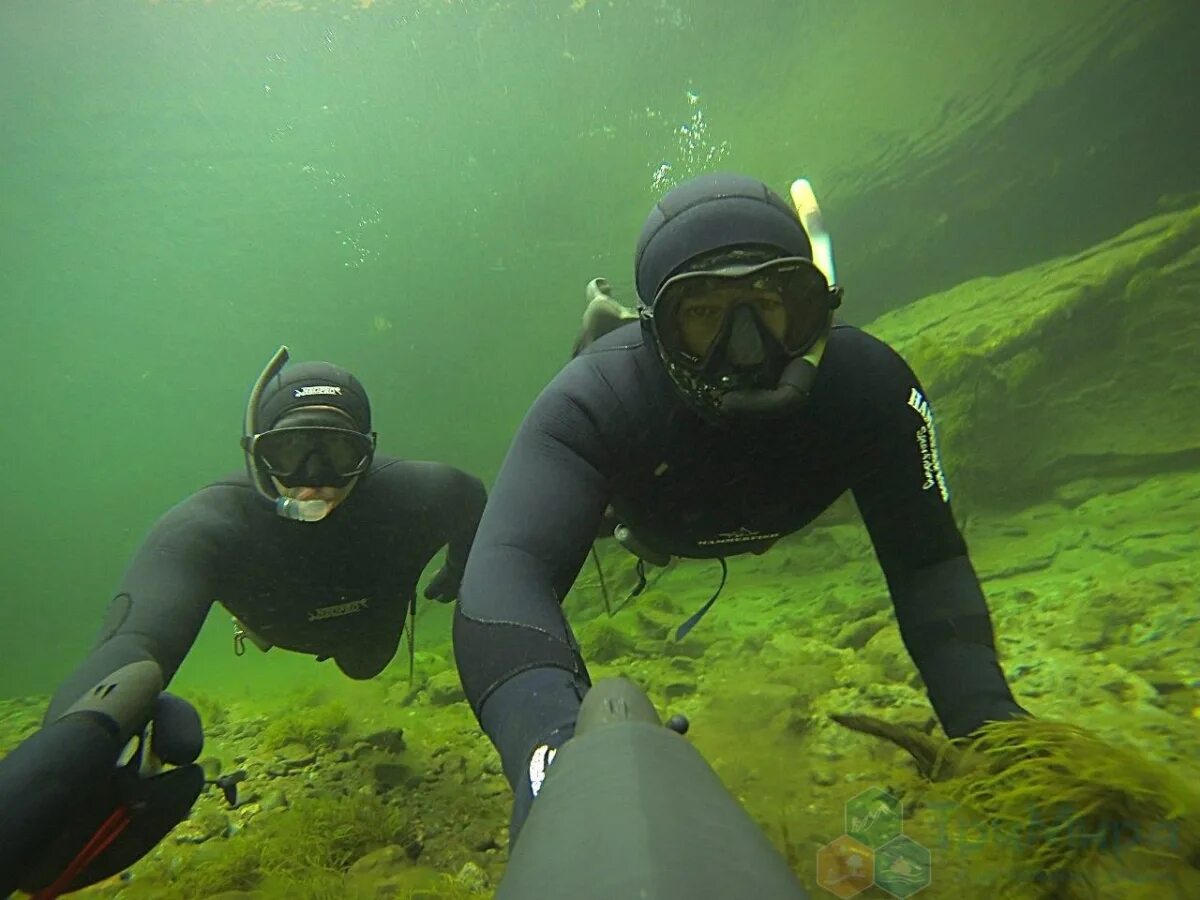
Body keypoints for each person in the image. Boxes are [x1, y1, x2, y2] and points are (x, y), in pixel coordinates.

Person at [452, 171, 1030, 841]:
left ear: (810, 304)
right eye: (704, 315)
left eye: (769, 302)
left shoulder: (871, 388)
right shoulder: (594, 400)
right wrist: (555, 754)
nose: (749, 350)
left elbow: (929, 563)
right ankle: (598, 320)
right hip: (641, 515)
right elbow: (505, 574)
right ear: (659, 331)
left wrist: (993, 734)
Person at [0, 348, 487, 896]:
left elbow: (472, 503)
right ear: (257, 454)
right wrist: (69, 746)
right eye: (290, 453)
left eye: (337, 452)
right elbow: (136, 640)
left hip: (370, 630)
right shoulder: (209, 525)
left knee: (367, 666)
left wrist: (461, 571)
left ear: (367, 454)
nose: (314, 481)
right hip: (286, 626)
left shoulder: (421, 493)